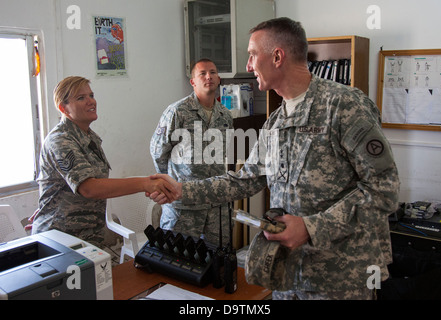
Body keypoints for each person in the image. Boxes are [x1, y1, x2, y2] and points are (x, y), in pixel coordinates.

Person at [149, 17, 400, 300]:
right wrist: (182, 190)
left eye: (252, 55)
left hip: (339, 278)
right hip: (286, 271)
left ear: (277, 56)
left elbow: (384, 189)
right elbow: (244, 181)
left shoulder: (343, 106)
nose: (248, 65)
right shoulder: (276, 122)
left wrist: (311, 227)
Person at [31, 76, 176, 250]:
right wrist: (146, 183)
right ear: (64, 108)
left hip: (88, 236)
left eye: (91, 95)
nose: (91, 101)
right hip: (61, 239)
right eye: (81, 98)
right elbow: (89, 188)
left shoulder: (89, 138)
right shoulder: (61, 140)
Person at [150, 58, 234, 246]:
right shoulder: (177, 111)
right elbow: (158, 151)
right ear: (193, 81)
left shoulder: (225, 115)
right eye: (202, 73)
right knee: (178, 259)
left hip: (215, 204)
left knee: (217, 260)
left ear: (219, 78)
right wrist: (168, 183)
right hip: (183, 204)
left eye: (212, 72)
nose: (208, 77)